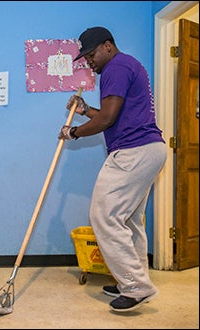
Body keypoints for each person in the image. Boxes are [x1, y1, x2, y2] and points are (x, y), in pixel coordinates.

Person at [59, 26, 167, 312]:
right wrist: (84, 110)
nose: (89, 61)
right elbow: (113, 116)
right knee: (128, 220)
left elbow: (106, 120)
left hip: (133, 152)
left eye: (92, 54)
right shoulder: (128, 65)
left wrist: (73, 132)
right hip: (148, 149)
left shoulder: (115, 68)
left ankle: (135, 286)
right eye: (85, 57)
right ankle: (132, 281)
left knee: (104, 215)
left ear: (108, 46)